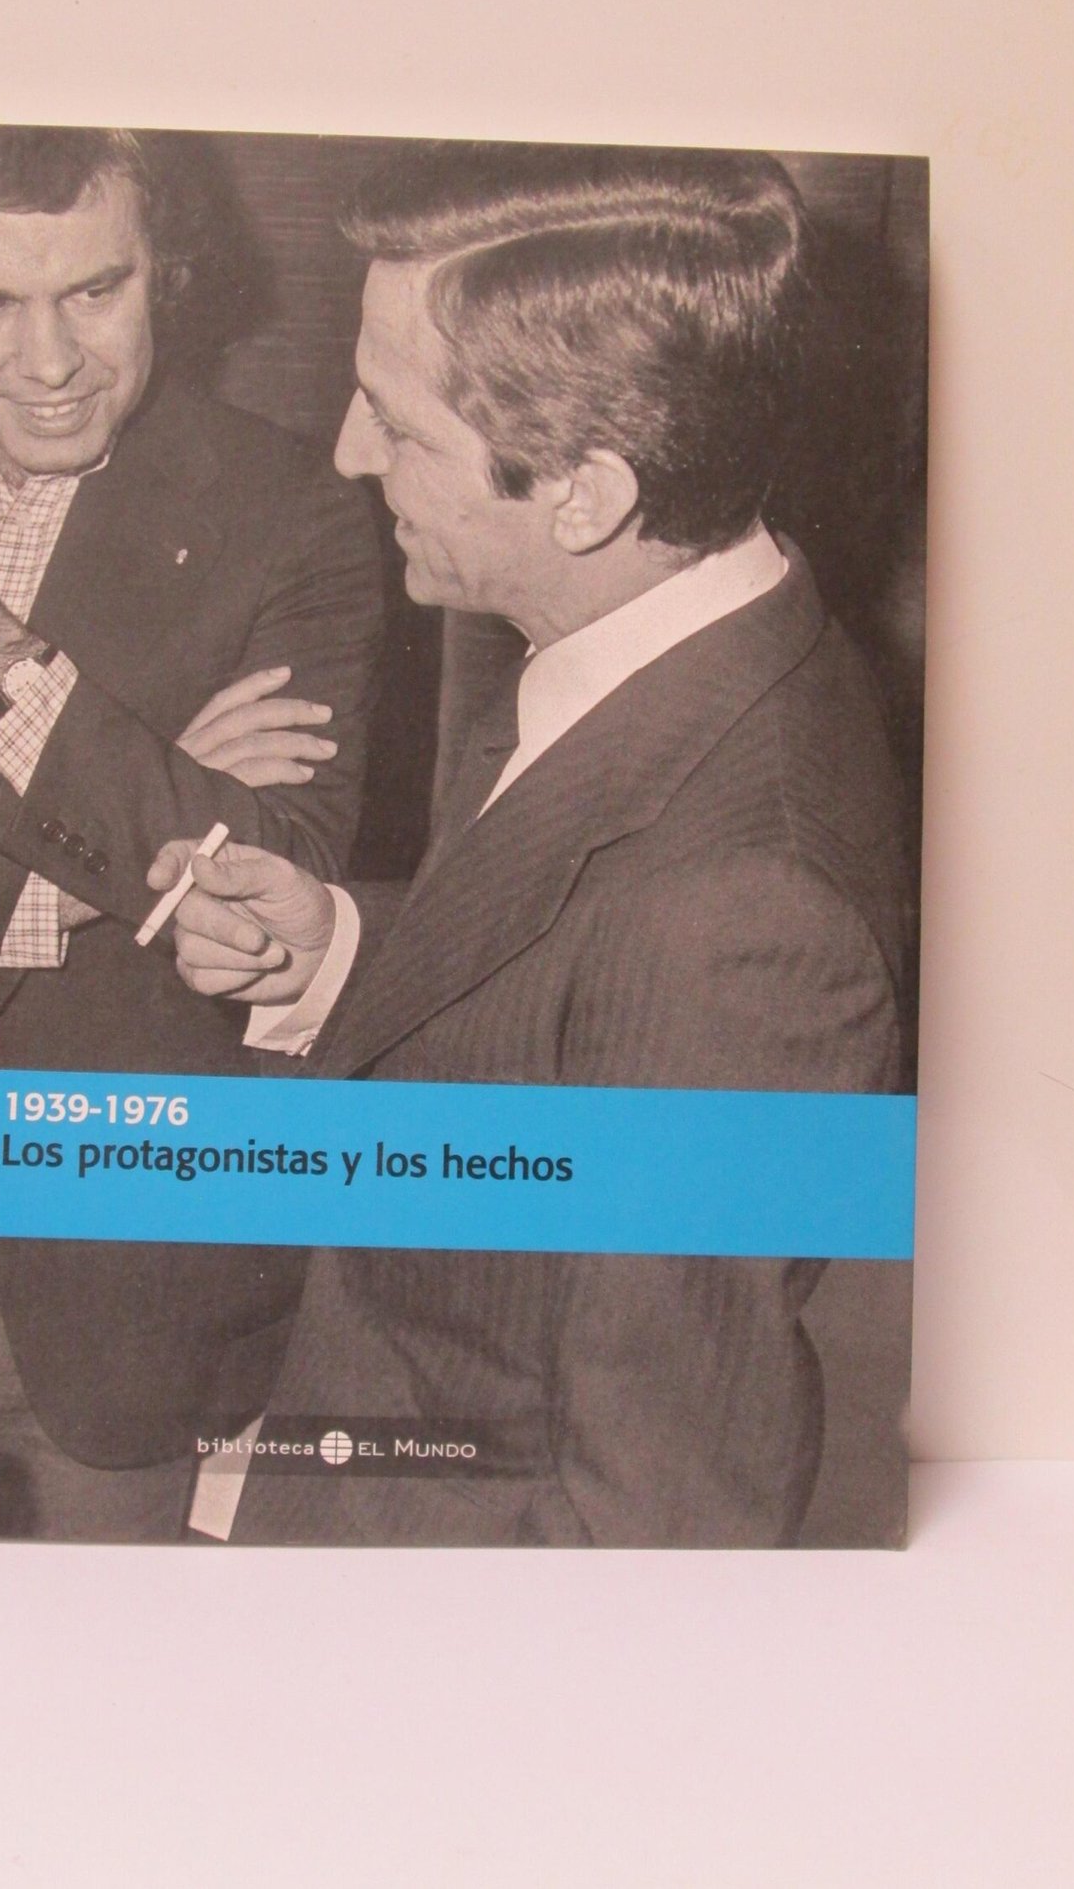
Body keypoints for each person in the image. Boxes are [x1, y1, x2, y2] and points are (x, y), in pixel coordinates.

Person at [153, 143, 914, 1547]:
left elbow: (659, 1519)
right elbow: (570, 980)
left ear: (586, 494)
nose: (349, 452)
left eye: (398, 424)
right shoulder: (666, 649)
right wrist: (348, 955)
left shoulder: (746, 922)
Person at [0, 122, 384, 1538]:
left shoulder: (297, 510)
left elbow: (265, 892)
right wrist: (139, 802)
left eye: (96, 292)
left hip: (120, 1265)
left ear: (169, 271)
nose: (48, 362)